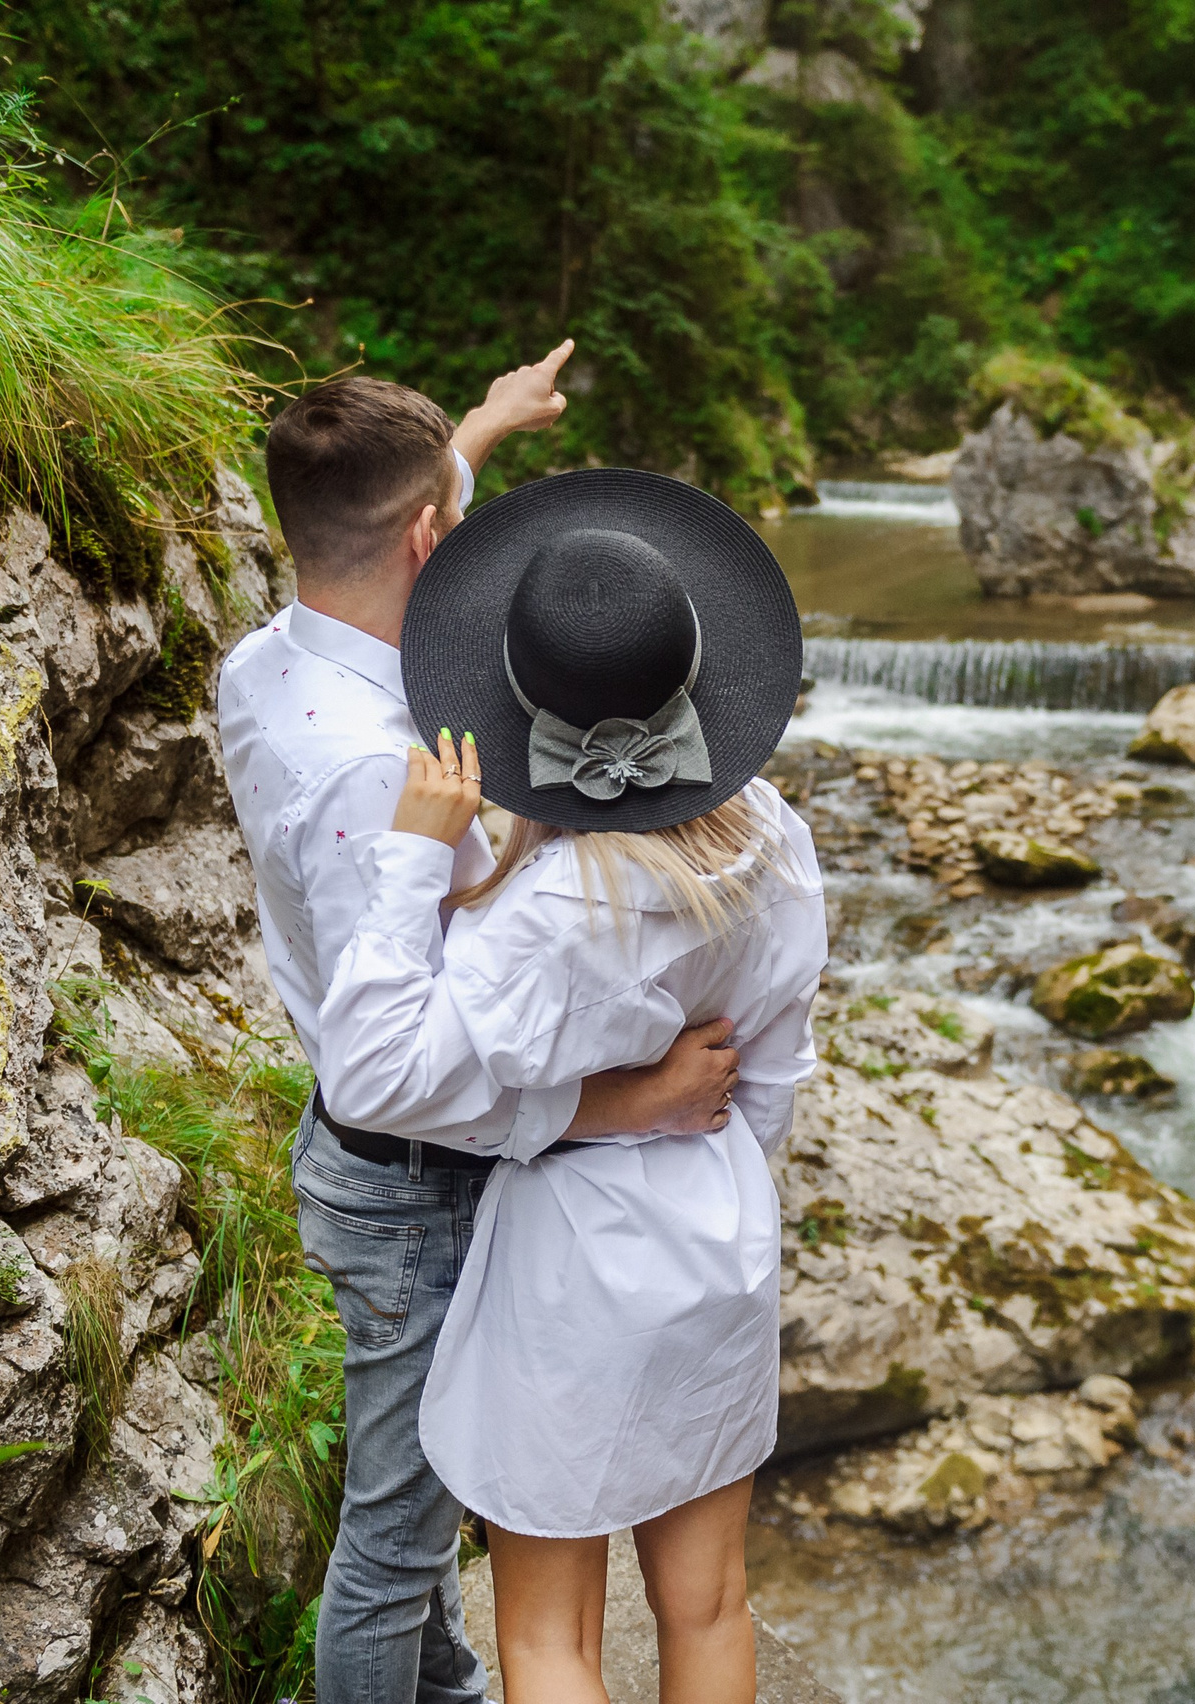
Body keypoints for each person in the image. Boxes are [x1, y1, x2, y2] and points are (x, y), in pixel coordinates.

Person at [218, 354, 740, 1704]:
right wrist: (616, 1108)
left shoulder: (263, 663)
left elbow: (397, 514)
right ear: (425, 541)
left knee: (434, 1508)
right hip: (412, 1178)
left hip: (380, 1171)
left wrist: (486, 429)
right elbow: (389, 1071)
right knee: (399, 1538)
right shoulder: (375, 772)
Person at [315, 467, 823, 1704]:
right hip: (715, 1227)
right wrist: (719, 1194)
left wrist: (411, 855)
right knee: (707, 1606)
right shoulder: (771, 838)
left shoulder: (551, 912)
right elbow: (773, 1066)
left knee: (550, 1643)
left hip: (570, 1262)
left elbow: (374, 1075)